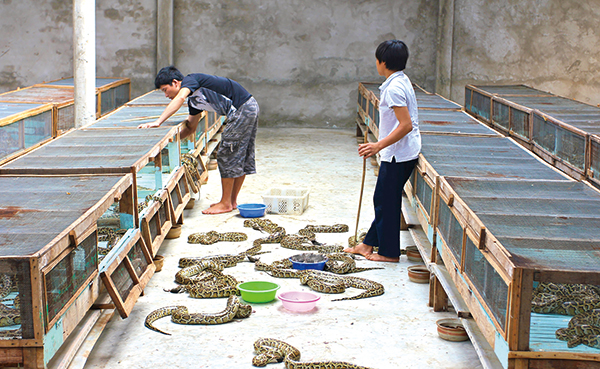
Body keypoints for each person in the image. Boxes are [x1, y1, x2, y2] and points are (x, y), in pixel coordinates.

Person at [138, 66, 259, 215]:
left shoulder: (191, 79)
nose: (165, 95)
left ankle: (225, 203)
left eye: (165, 90)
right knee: (238, 155)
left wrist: (158, 122)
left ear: (176, 83)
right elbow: (190, 128)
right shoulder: (194, 102)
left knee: (226, 155)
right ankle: (231, 201)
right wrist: (169, 141)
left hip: (242, 109)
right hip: (247, 108)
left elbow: (180, 97)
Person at [344, 40, 421, 262]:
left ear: (383, 62)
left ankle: (389, 253)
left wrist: (378, 145)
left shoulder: (395, 88)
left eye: (377, 60)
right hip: (399, 152)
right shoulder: (399, 81)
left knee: (386, 201)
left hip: (398, 154)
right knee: (384, 199)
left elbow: (406, 125)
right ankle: (367, 244)